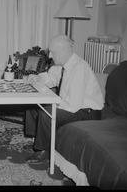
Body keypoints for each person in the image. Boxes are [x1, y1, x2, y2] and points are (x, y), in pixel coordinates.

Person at [23, 34, 104, 164]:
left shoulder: (79, 68)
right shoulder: (62, 65)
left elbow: (72, 105)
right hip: (74, 105)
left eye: (53, 52)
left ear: (64, 51)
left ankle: (43, 150)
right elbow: (51, 78)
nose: (49, 56)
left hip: (86, 111)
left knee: (47, 113)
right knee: (33, 105)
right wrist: (38, 78)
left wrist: (51, 104)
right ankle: (36, 142)